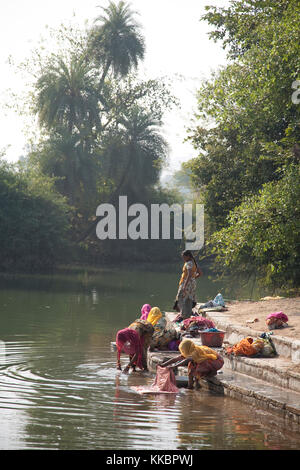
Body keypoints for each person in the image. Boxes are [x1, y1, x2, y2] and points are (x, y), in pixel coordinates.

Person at [174, 250, 202, 319]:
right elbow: (200, 273)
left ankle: (183, 315)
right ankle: (187, 315)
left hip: (187, 283)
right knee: (189, 298)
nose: (183, 259)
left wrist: (185, 285)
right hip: (192, 283)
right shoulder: (194, 263)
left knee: (181, 298)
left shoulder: (189, 263)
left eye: (184, 257)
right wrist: (193, 278)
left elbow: (189, 274)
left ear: (188, 256)